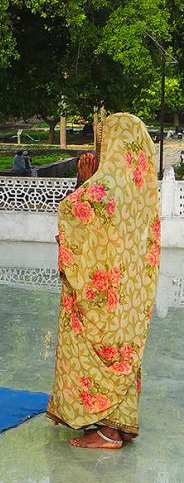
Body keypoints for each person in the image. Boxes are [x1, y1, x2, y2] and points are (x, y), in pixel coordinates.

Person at [46, 113, 160, 449]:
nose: (98, 144)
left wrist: (84, 183)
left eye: (102, 138)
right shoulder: (139, 182)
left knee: (95, 344)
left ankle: (107, 433)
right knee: (124, 350)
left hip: (103, 290)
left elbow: (75, 215)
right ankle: (119, 425)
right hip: (130, 290)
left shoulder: (105, 185)